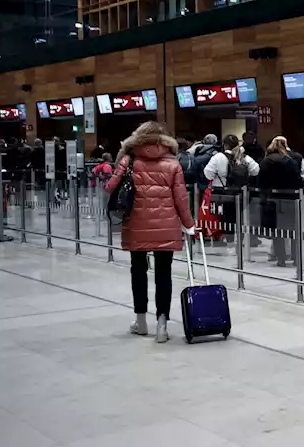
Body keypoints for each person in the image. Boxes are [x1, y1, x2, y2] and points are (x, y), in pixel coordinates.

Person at [105, 122, 196, 343]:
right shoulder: (173, 164)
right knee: (164, 274)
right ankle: (162, 326)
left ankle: (141, 321)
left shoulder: (129, 160)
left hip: (136, 224)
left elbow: (110, 187)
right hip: (166, 226)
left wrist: (121, 159)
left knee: (138, 271)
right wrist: (189, 224)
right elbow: (181, 199)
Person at [203, 135, 259, 244]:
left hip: (222, 192)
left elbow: (208, 174)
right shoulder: (244, 157)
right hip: (241, 192)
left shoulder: (218, 157)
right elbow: (256, 170)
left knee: (226, 217)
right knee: (241, 217)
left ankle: (229, 240)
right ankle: (241, 240)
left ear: (224, 145)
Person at [259, 136, 304, 268]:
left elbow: (261, 182)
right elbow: (298, 180)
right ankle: (296, 257)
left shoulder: (266, 161)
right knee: (293, 230)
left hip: (272, 200)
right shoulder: (290, 161)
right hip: (290, 199)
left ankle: (281, 259)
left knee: (277, 231)